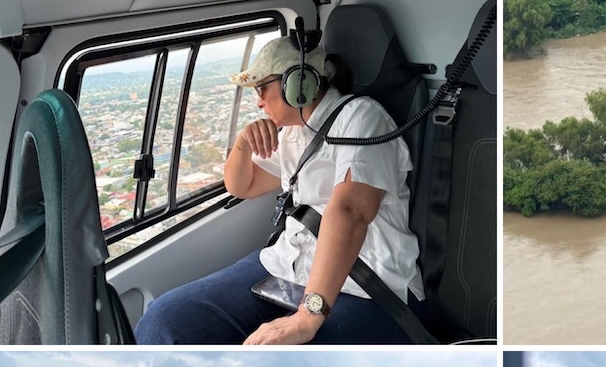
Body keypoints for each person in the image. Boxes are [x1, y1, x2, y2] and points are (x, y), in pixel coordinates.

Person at [135, 36, 427, 344]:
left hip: (368, 286)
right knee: (164, 319)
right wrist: (243, 145)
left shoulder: (361, 117)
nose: (258, 101)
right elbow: (242, 185)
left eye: (262, 88)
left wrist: (307, 316)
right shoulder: (291, 133)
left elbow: (350, 212)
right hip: (288, 266)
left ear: (298, 83)